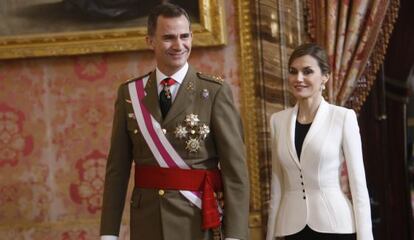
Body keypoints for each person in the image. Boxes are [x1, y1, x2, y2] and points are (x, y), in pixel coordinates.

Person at [100, 3, 249, 240]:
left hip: (197, 220)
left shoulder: (213, 92)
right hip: (147, 222)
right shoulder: (130, 94)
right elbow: (117, 169)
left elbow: (235, 172)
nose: (179, 45)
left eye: (184, 36)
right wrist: (108, 233)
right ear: (150, 41)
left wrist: (235, 235)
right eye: (169, 37)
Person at [266, 43, 373, 240]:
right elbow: (277, 186)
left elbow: (359, 187)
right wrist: (271, 236)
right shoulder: (277, 121)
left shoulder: (343, 117)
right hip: (292, 228)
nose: (298, 79)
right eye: (293, 72)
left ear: (325, 76)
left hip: (335, 227)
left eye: (307, 71)